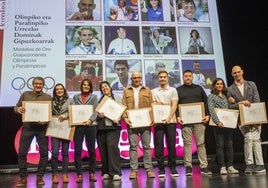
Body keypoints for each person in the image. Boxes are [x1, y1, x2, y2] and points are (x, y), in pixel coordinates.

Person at [227, 65, 266, 174]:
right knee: (248, 138)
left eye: (238, 72)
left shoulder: (251, 84)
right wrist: (239, 103)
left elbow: (257, 100)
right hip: (242, 118)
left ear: (242, 72)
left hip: (255, 115)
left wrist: (256, 116)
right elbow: (230, 106)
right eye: (234, 73)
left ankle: (260, 165)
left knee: (257, 139)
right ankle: (249, 164)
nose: (237, 74)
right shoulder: (230, 89)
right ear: (232, 74)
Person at [14, 76, 52, 187]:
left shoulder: (48, 97)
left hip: (42, 129)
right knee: (22, 153)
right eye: (36, 83)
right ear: (33, 84)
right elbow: (16, 107)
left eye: (40, 84)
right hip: (28, 128)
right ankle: (23, 177)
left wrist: (46, 120)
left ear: (43, 85)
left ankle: (40, 176)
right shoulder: (25, 94)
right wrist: (18, 109)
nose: (38, 85)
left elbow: (51, 113)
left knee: (44, 154)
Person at [176, 69, 212, 176]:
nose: (188, 78)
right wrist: (177, 116)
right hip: (185, 122)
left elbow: (206, 102)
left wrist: (207, 115)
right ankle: (188, 167)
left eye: (189, 76)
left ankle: (204, 166)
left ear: (192, 77)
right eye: (186, 76)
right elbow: (176, 105)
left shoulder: (199, 88)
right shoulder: (178, 90)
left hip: (200, 121)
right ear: (183, 77)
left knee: (201, 143)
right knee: (187, 144)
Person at [122, 71, 155, 179]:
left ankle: (149, 169)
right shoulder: (126, 91)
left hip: (145, 123)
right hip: (132, 122)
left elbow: (152, 106)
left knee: (146, 146)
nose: (136, 79)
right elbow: (123, 106)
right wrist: (125, 118)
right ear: (131, 79)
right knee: (133, 147)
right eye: (134, 78)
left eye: (138, 77)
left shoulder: (148, 90)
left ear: (141, 78)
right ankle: (134, 170)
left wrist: (153, 118)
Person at [207, 78, 239, 175]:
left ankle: (230, 166)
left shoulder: (226, 96)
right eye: (217, 84)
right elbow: (211, 110)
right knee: (220, 145)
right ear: (214, 85)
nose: (219, 85)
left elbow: (230, 109)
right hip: (218, 125)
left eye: (221, 84)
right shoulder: (211, 96)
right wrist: (217, 122)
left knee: (229, 145)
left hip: (228, 125)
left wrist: (233, 102)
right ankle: (222, 167)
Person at [151, 70, 179, 178]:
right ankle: (161, 169)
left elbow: (174, 105)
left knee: (171, 145)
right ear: (158, 79)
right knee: (159, 146)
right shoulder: (153, 91)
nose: (162, 79)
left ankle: (173, 168)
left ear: (167, 78)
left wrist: (168, 118)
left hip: (170, 121)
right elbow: (153, 104)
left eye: (164, 77)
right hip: (158, 121)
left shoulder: (173, 90)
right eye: (160, 77)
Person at [73, 78, 98, 183]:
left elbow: (96, 110)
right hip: (78, 126)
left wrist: (90, 120)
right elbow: (73, 110)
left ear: (90, 87)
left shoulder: (94, 97)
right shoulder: (75, 97)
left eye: (88, 85)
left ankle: (92, 173)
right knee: (77, 151)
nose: (86, 86)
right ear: (81, 86)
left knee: (91, 150)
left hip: (91, 126)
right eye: (84, 85)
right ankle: (79, 174)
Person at [96, 81, 122, 181]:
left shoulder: (118, 99)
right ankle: (106, 172)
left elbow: (122, 112)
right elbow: (94, 115)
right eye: (102, 87)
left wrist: (118, 118)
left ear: (110, 87)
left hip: (113, 127)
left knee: (112, 148)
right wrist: (98, 115)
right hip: (101, 128)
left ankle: (115, 172)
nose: (104, 88)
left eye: (106, 86)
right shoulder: (98, 101)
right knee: (103, 150)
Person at [50, 83, 74, 184]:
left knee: (65, 152)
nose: (59, 91)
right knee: (55, 153)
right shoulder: (51, 101)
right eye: (57, 89)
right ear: (55, 91)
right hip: (54, 128)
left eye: (61, 89)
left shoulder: (70, 100)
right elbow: (48, 112)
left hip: (65, 128)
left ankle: (64, 174)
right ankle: (54, 174)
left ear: (64, 90)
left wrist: (66, 116)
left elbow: (73, 112)